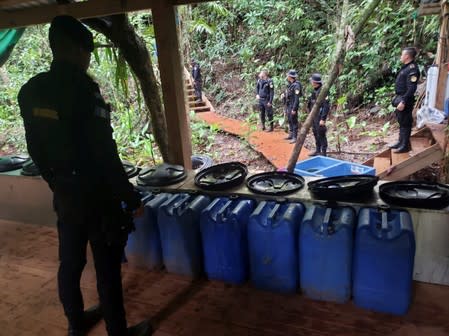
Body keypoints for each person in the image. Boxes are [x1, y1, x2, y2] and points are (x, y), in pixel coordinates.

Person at [18, 16, 152, 336]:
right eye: (87, 52)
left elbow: (34, 148)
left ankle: (76, 324)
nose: (88, 58)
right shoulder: (85, 91)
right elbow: (105, 152)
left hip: (65, 193)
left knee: (71, 264)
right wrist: (130, 197)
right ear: (78, 50)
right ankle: (119, 333)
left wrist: (57, 181)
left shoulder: (31, 91)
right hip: (97, 197)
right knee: (107, 269)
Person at [390, 47, 420, 153]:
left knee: (406, 122)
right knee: (401, 121)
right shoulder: (406, 67)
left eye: (402, 55)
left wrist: (403, 101)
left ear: (407, 56)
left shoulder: (412, 69)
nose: (401, 57)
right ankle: (400, 142)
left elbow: (412, 88)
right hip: (401, 97)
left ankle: (405, 146)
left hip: (405, 99)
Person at [307, 73, 330, 156]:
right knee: (315, 132)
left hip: (319, 116)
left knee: (321, 133)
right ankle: (317, 150)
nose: (311, 82)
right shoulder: (314, 91)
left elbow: (326, 106)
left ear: (315, 82)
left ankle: (324, 153)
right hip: (314, 116)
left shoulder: (323, 91)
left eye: (312, 81)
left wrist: (323, 119)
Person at [284, 69, 302, 143]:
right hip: (289, 105)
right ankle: (291, 134)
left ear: (290, 77)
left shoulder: (296, 85)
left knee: (294, 121)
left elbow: (296, 99)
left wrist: (294, 109)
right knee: (290, 120)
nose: (287, 76)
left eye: (288, 75)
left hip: (293, 105)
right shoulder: (290, 84)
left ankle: (295, 137)